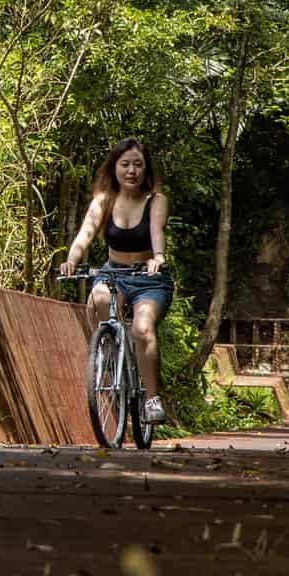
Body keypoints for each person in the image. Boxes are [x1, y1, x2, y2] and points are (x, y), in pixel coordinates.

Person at [59, 137, 174, 424]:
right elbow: (85, 234)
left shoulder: (156, 201)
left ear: (146, 169)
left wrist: (158, 257)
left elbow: (156, 231)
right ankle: (109, 352)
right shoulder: (104, 201)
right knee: (98, 299)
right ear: (114, 168)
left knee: (142, 329)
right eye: (125, 164)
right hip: (114, 274)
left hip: (148, 279)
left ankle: (152, 398)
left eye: (138, 164)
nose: (131, 171)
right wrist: (72, 259)